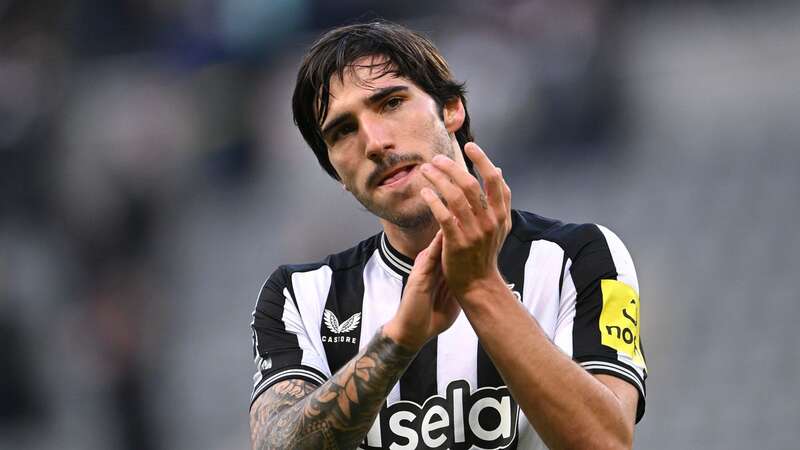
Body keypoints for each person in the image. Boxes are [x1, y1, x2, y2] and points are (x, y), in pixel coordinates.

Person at [249, 20, 647, 450]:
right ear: (337, 173)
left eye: (391, 102)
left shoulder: (580, 257)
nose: (374, 142)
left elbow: (606, 443)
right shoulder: (300, 295)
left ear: (452, 109)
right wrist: (399, 339)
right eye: (343, 131)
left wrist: (479, 288)